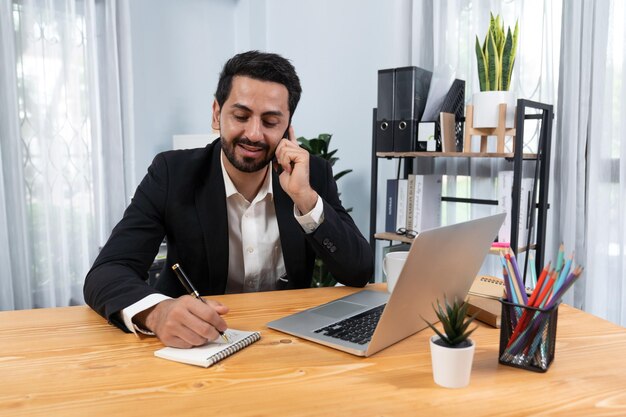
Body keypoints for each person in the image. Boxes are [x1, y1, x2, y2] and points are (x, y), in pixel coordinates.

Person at [83, 50, 374, 348]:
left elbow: (358, 271)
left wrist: (305, 198)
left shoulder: (311, 175)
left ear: (288, 128)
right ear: (216, 113)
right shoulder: (172, 172)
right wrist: (157, 313)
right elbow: (108, 271)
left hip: (283, 345)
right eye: (240, 116)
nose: (254, 134)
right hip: (195, 345)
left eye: (271, 121)